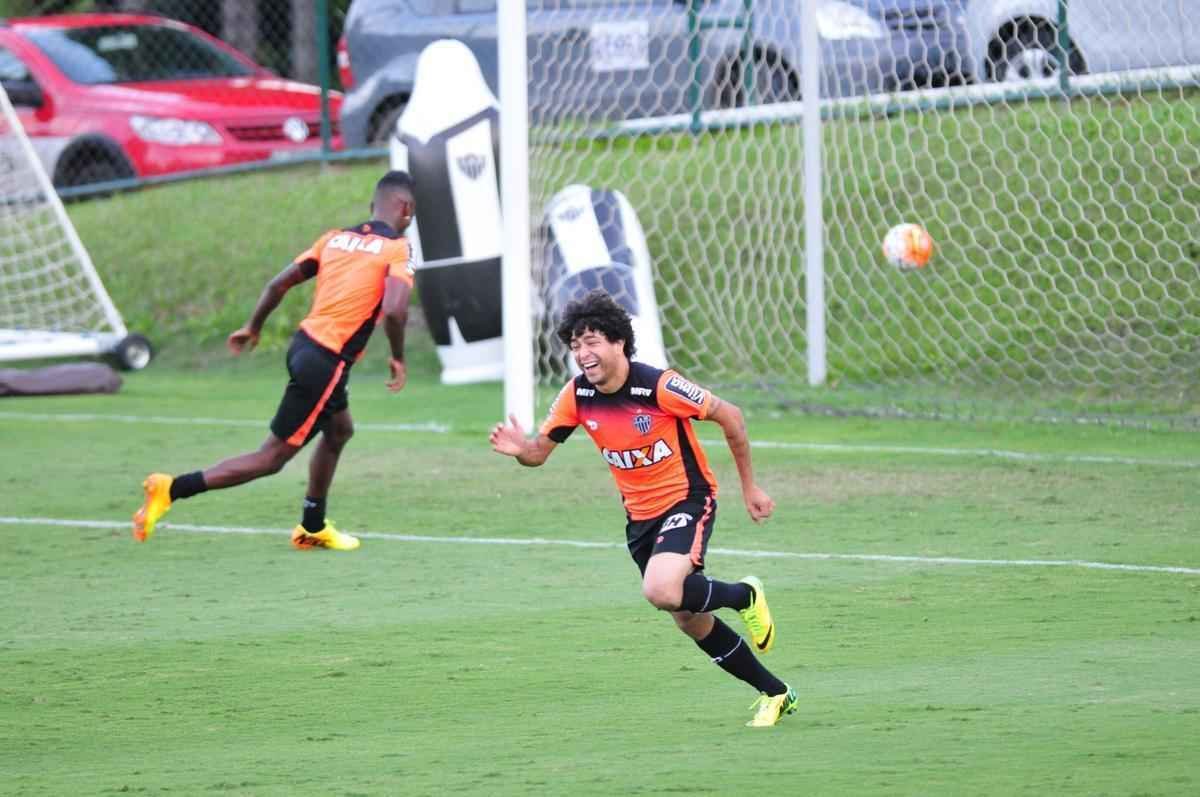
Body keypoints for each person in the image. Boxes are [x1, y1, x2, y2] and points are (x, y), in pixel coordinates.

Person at [489, 289, 797, 727]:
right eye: (575, 345)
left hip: (688, 499)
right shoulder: (577, 396)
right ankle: (775, 692)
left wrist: (750, 487)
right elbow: (539, 453)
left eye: (592, 341)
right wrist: (521, 449)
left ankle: (744, 594)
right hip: (640, 519)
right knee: (689, 619)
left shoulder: (658, 386)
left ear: (618, 342)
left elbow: (732, 416)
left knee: (661, 591)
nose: (583, 353)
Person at [132, 170, 418, 551]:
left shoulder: (334, 238)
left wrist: (253, 327)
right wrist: (398, 357)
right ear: (406, 209)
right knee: (271, 458)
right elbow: (396, 310)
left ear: (372, 207)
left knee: (338, 430)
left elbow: (278, 284)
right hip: (327, 360)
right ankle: (171, 489)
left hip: (303, 346)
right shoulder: (397, 248)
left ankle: (312, 526)